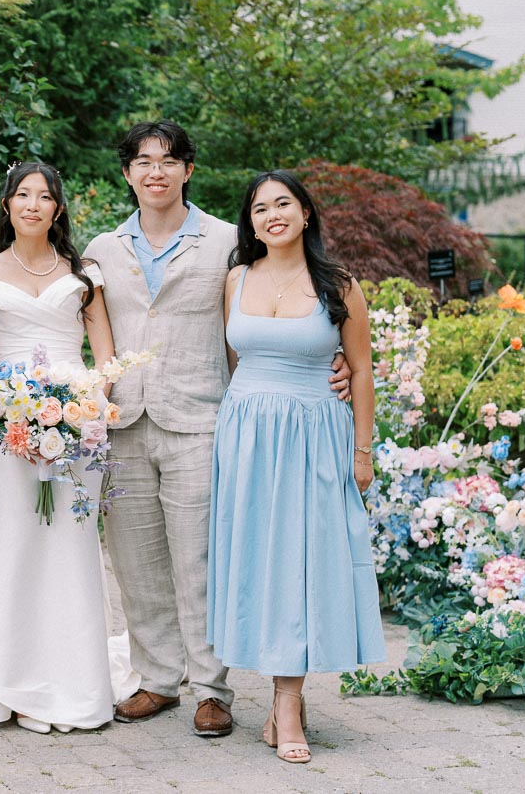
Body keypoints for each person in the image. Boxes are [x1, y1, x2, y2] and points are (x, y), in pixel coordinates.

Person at [82, 121, 351, 737]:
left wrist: (327, 362)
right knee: (135, 560)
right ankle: (156, 679)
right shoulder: (100, 249)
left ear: (188, 171)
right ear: (127, 174)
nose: (156, 171)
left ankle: (211, 688)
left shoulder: (229, 243)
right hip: (124, 422)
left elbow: (288, 303)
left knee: (202, 559)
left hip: (202, 418)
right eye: (143, 162)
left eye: (168, 161)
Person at [0, 162, 140, 734]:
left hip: (78, 426)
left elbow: (104, 354)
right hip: (11, 429)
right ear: (6, 206)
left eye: (45, 196)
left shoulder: (84, 272)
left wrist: (85, 410)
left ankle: (73, 678)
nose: (33, 204)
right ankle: (4, 675)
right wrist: (9, 408)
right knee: (15, 534)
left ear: (58, 208)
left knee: (72, 544)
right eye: (22, 195)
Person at [206, 170, 386, 764]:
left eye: (283, 204)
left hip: (315, 438)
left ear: (306, 213)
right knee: (260, 564)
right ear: (250, 222)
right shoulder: (236, 279)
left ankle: (286, 704)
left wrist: (362, 453)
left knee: (301, 565)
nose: (271, 215)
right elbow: (240, 361)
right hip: (248, 440)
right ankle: (285, 696)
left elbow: (359, 370)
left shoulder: (339, 284)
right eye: (260, 208)